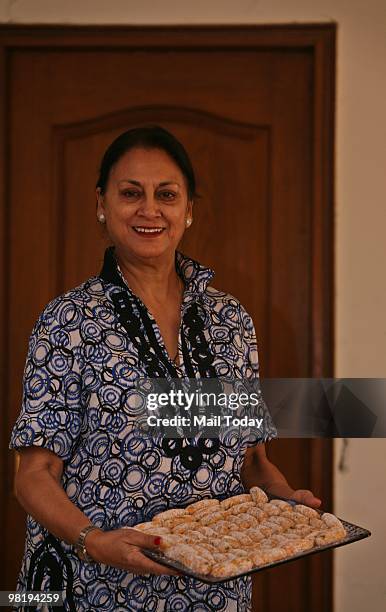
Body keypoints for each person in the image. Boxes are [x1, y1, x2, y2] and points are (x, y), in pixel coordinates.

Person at [10, 126, 321, 612]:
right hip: (96, 586)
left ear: (188, 210)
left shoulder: (229, 320)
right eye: (131, 193)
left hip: (211, 589)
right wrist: (94, 541)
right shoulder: (68, 320)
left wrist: (285, 502)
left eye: (167, 195)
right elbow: (33, 474)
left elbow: (253, 461)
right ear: (102, 204)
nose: (149, 209)